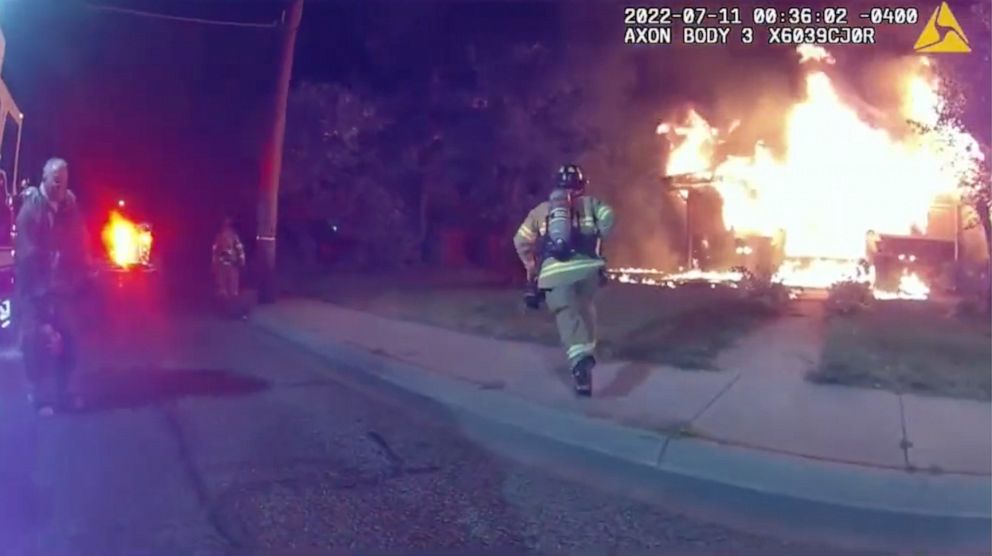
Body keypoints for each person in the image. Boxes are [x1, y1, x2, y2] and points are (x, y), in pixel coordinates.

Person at [513, 164, 615, 396]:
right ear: (581, 185)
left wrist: (531, 267)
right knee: (586, 310)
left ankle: (580, 364)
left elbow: (520, 241)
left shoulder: (541, 211)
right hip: (588, 271)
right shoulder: (591, 204)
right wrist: (597, 238)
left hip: (555, 276)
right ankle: (587, 355)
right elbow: (610, 218)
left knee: (568, 317)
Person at [14, 158, 91, 415]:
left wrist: (81, 271)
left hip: (62, 288)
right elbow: (26, 257)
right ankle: (40, 396)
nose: (60, 186)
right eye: (56, 181)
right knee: (35, 339)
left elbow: (80, 241)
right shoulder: (30, 212)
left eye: (64, 181)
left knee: (70, 338)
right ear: (45, 179)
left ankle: (66, 391)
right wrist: (39, 294)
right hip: (34, 288)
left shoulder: (70, 208)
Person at [212, 216, 246, 315]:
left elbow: (215, 252)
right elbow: (239, 249)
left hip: (227, 264)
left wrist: (214, 265)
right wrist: (242, 260)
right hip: (228, 264)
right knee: (227, 288)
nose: (227, 228)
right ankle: (229, 310)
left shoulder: (223, 237)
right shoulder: (228, 236)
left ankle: (229, 309)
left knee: (227, 288)